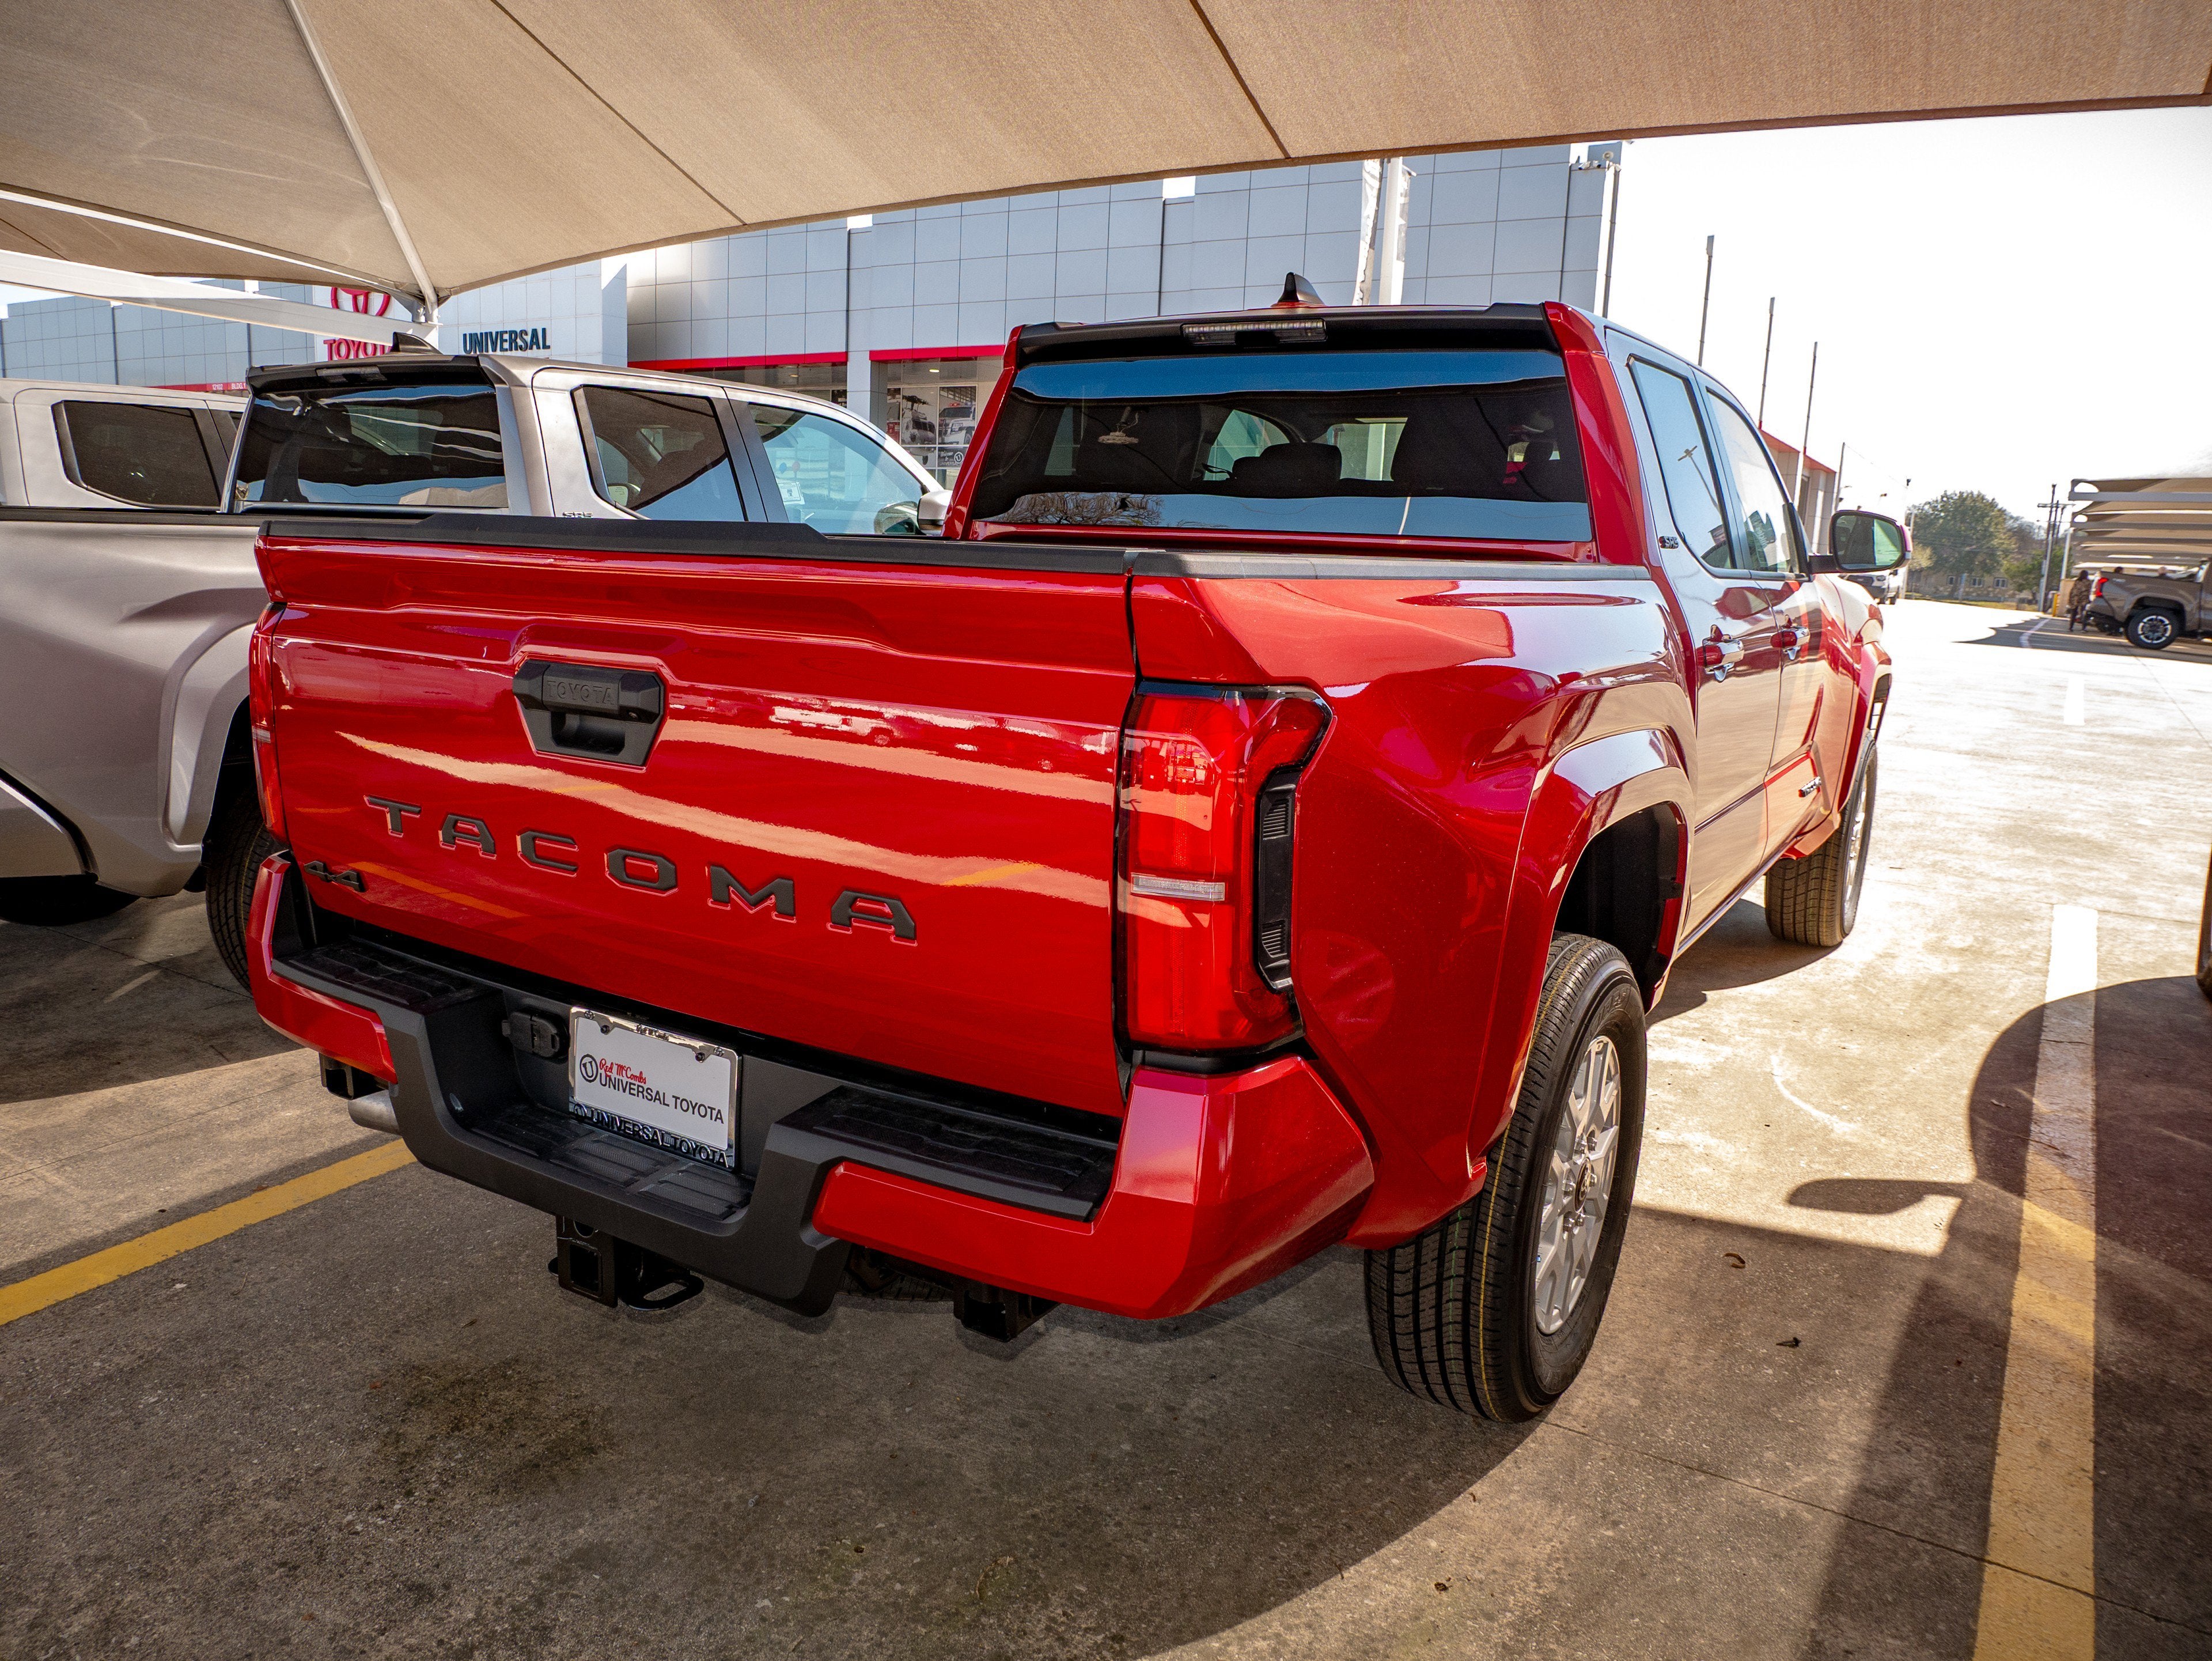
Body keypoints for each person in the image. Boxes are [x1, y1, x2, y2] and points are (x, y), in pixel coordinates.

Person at [2065, 567, 2094, 631]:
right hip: (2083, 599)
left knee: (2074, 614)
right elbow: (2089, 591)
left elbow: (2073, 590)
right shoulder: (2088, 582)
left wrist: (2070, 598)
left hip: (2075, 598)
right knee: (2083, 613)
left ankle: (2071, 627)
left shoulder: (2077, 581)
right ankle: (2083, 628)